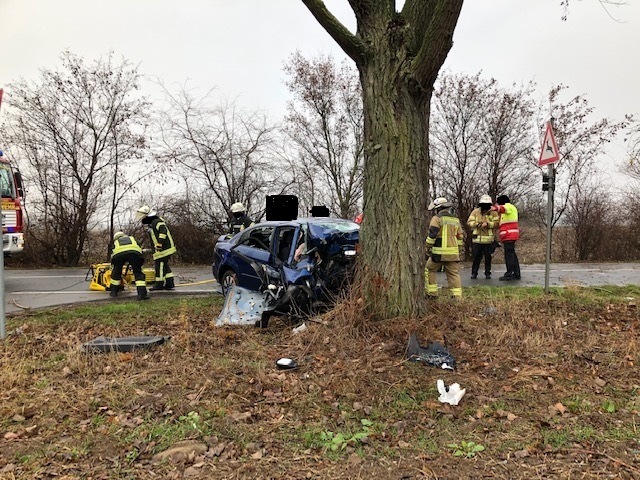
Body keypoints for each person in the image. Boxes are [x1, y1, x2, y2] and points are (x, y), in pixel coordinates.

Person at [425, 197, 464, 299]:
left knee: (429, 270)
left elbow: (432, 235)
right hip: (453, 254)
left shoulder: (436, 219)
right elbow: (460, 237)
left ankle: (432, 294)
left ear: (438, 208)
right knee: (453, 274)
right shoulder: (456, 220)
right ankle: (457, 298)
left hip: (438, 253)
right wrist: (457, 249)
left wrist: (427, 247)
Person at [136, 205, 177, 290]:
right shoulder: (152, 223)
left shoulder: (157, 221)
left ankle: (159, 284)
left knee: (160, 266)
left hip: (164, 249)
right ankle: (170, 283)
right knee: (164, 265)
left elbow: (163, 231)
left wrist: (160, 243)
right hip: (161, 249)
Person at [467, 194, 500, 279]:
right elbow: (469, 222)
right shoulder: (475, 212)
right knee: (476, 258)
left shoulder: (493, 212)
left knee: (488, 258)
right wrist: (477, 224)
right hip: (477, 240)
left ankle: (487, 273)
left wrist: (488, 224)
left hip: (489, 240)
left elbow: (497, 224)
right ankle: (474, 273)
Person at [109, 231, 149, 300]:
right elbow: (139, 249)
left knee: (116, 272)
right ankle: (142, 295)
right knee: (138, 273)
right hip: (134, 253)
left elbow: (113, 255)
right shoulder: (132, 238)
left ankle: (113, 292)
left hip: (119, 255)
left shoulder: (116, 242)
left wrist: (114, 266)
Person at [492, 194, 521, 281]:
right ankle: (516, 273)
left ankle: (509, 274)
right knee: (512, 255)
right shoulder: (508, 211)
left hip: (509, 235)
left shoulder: (509, 207)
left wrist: (495, 208)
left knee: (509, 255)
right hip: (509, 235)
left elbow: (502, 208)